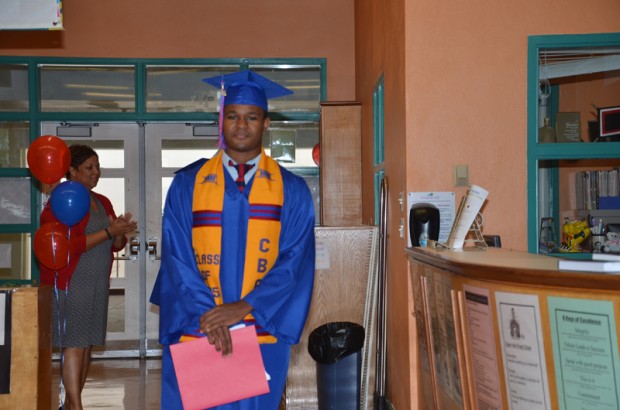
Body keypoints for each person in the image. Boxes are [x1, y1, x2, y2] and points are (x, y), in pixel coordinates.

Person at [150, 70, 316, 409]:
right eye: (233, 116)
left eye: (251, 117)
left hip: (261, 325)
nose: (241, 125)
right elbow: (177, 258)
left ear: (266, 124)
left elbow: (295, 259)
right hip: (199, 325)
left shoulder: (292, 190)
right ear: (221, 121)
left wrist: (242, 308)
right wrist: (212, 315)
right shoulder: (187, 185)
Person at [39, 144, 138, 410]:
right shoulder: (62, 199)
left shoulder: (102, 201)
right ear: (72, 171)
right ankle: (76, 406)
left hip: (97, 283)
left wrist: (119, 232)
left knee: (86, 346)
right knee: (74, 344)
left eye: (98, 167)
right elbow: (64, 245)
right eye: (89, 167)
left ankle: (70, 405)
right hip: (72, 283)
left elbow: (115, 245)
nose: (96, 172)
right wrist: (108, 232)